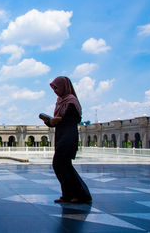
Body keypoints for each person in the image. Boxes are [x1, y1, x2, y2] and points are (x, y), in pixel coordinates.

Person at [40, 76, 92, 204]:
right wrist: (49, 121)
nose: (55, 91)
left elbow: (75, 119)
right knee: (62, 166)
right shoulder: (60, 101)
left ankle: (81, 195)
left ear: (64, 86)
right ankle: (68, 195)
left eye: (56, 88)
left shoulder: (71, 101)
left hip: (69, 135)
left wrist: (60, 120)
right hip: (61, 135)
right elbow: (56, 122)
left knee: (60, 164)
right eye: (54, 88)